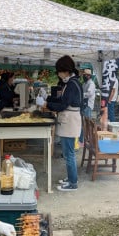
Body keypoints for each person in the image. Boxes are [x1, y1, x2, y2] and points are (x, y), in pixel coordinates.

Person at [36, 55, 82, 191]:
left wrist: (45, 103)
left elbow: (62, 104)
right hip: (69, 119)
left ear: (66, 70)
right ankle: (71, 178)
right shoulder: (71, 83)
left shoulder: (72, 84)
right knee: (68, 153)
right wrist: (47, 98)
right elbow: (61, 100)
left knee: (69, 154)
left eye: (59, 71)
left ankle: (73, 183)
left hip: (70, 120)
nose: (58, 74)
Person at [78, 68, 96, 145]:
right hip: (83, 105)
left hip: (88, 105)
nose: (83, 76)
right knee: (82, 123)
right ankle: (82, 139)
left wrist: (80, 95)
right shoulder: (85, 83)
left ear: (88, 76)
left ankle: (85, 140)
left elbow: (89, 94)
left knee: (86, 123)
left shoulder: (91, 84)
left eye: (84, 75)